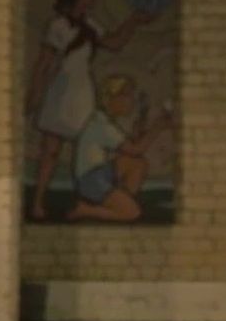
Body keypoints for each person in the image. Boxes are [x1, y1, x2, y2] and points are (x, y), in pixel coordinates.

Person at [25, 0, 154, 221]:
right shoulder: (58, 25)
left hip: (83, 92)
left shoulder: (91, 25)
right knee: (50, 151)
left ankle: (96, 199)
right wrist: (33, 95)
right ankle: (38, 202)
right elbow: (44, 63)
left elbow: (115, 43)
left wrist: (133, 21)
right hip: (61, 92)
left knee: (88, 148)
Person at [66, 74, 173, 222]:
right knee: (133, 213)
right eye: (127, 96)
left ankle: (120, 201)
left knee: (138, 163)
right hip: (90, 181)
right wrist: (157, 127)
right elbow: (135, 149)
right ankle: (85, 210)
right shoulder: (102, 126)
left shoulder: (102, 119)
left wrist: (140, 129)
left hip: (99, 172)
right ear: (111, 98)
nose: (132, 101)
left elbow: (130, 148)